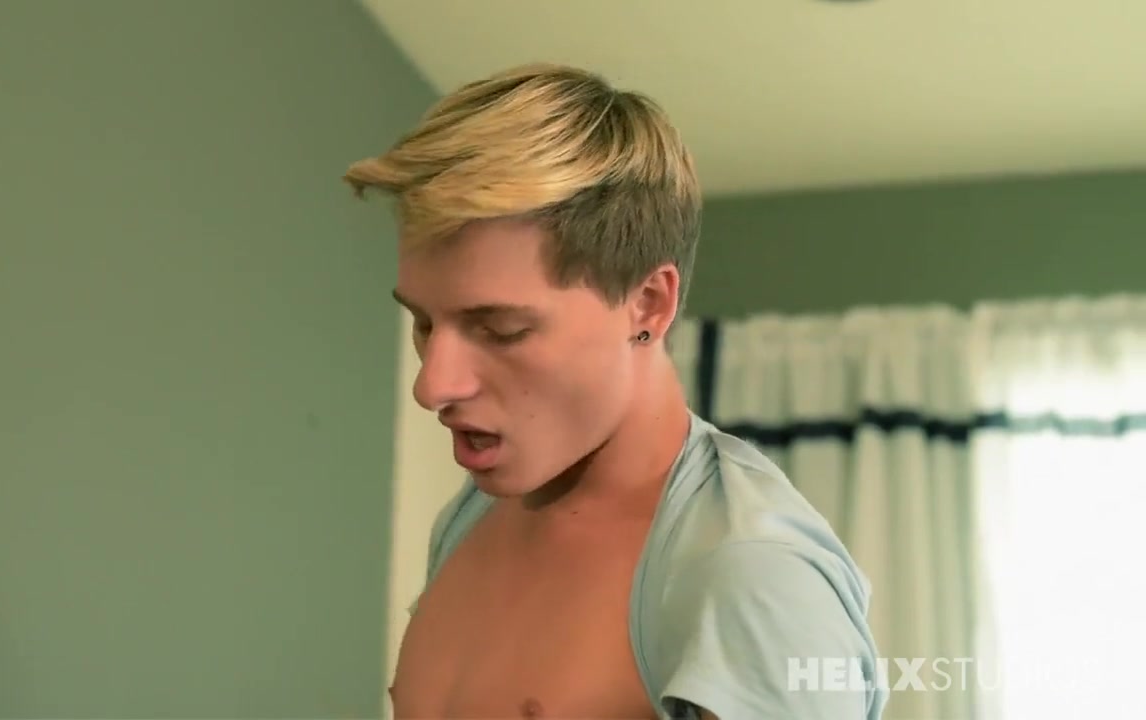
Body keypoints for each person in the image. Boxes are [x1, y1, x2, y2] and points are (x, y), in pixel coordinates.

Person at [344, 63, 886, 719]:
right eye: (425, 323)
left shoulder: (753, 578)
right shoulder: (474, 516)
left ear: (647, 305)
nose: (433, 385)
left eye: (501, 330)